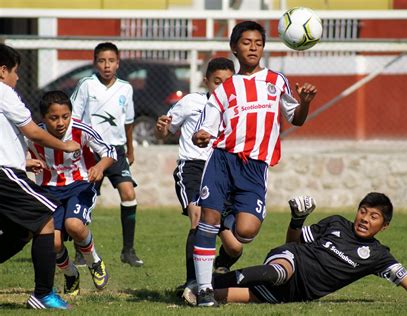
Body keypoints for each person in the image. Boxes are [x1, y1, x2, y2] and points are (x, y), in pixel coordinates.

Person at [191, 20, 317, 307]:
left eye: (258, 43)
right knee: (207, 222)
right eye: (247, 43)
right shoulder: (226, 88)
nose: (253, 48)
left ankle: (221, 218)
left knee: (246, 232)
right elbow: (207, 130)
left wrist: (305, 102)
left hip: (255, 167)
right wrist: (201, 136)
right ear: (234, 48)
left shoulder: (276, 81)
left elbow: (295, 118)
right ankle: (204, 289)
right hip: (223, 160)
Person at [183, 193, 407, 305]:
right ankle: (206, 282)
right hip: (289, 260)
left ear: (383, 226)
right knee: (278, 273)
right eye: (363, 211)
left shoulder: (378, 256)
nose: (364, 219)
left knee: (221, 298)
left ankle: (196, 289)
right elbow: (293, 243)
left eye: (374, 217)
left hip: (297, 294)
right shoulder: (336, 223)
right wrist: (298, 220)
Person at [0, 44, 80, 309]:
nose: (18, 78)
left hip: (9, 169)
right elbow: (33, 131)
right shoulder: (3, 91)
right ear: (3, 71)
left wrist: (22, 159)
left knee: (20, 232)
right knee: (46, 219)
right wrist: (65, 145)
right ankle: (43, 294)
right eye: (15, 72)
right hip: (4, 175)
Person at [155, 57, 241, 301]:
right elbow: (164, 131)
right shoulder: (192, 101)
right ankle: (193, 283)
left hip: (223, 170)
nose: (222, 87)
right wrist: (161, 127)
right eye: (217, 82)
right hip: (193, 167)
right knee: (198, 216)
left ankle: (217, 268)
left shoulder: (238, 109)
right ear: (206, 81)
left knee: (235, 246)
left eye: (228, 82)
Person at [27, 90, 117, 296]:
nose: (61, 122)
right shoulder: (34, 135)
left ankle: (94, 262)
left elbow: (109, 152)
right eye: (54, 118)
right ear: (44, 118)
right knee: (54, 242)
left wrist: (100, 167)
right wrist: (28, 163)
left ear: (71, 114)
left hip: (80, 185)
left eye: (65, 116)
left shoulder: (81, 130)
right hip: (49, 191)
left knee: (74, 225)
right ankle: (70, 274)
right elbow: (12, 157)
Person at [71, 42, 143, 267]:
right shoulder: (86, 85)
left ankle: (128, 251)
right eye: (102, 61)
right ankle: (80, 251)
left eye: (111, 61)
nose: (106, 65)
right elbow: (73, 117)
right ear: (95, 63)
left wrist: (130, 149)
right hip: (92, 151)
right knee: (85, 198)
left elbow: (128, 121)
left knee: (128, 193)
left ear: (118, 63)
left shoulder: (125, 88)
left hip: (117, 150)